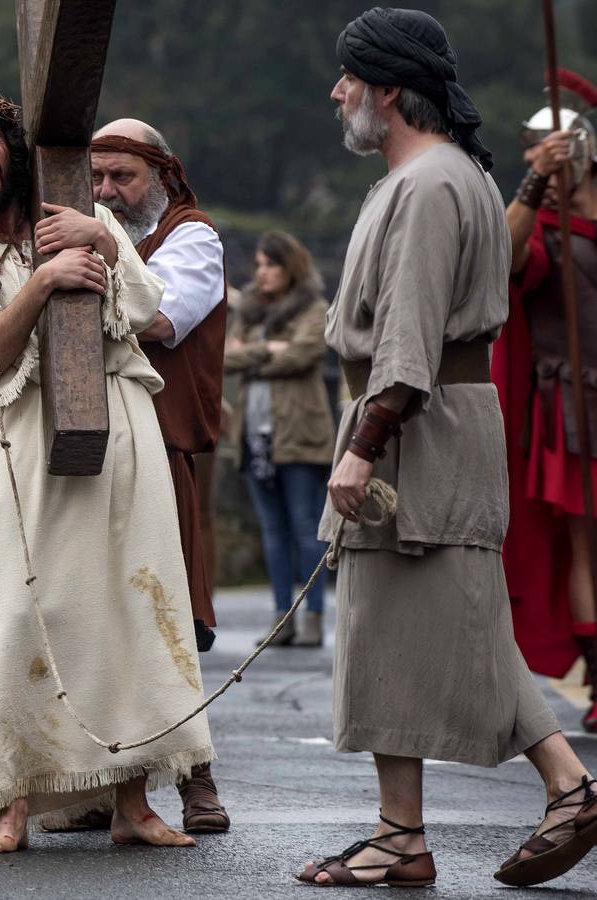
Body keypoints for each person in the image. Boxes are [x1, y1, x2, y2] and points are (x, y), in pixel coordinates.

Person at [297, 10, 594, 888]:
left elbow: (409, 329)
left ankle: (559, 791)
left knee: (444, 620)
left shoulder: (431, 184)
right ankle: (406, 831)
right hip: (424, 418)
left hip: (416, 425)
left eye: (349, 78)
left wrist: (365, 441)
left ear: (388, 90)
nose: (336, 92)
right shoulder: (436, 175)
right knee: (405, 628)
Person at [0, 93, 214, 853]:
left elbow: (147, 312)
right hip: (19, 447)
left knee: (129, 610)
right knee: (18, 617)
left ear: (17, 152)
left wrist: (101, 243)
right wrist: (42, 282)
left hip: (122, 431)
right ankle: (8, 804)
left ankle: (132, 803)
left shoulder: (85, 218)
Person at [89, 119, 229, 834]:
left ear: (162, 177)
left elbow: (160, 319)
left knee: (166, 610)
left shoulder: (190, 236)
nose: (107, 191)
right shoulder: (79, 235)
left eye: (123, 177)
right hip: (85, 446)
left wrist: (79, 276)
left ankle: (196, 782)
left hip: (158, 446)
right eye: (97, 178)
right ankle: (96, 784)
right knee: (90, 614)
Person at [496, 67, 597, 733]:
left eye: (550, 152)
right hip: (568, 402)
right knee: (585, 543)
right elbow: (499, 258)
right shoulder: (537, 228)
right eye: (534, 155)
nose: (543, 164)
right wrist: (533, 183)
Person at [224, 231, 334, 647]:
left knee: (305, 526)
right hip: (255, 436)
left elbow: (305, 353)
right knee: (272, 529)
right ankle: (280, 618)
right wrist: (267, 349)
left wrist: (252, 353)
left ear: (291, 267)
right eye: (258, 265)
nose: (262, 273)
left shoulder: (314, 308)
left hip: (299, 434)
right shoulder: (249, 311)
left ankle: (313, 617)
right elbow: (223, 358)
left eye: (271, 264)